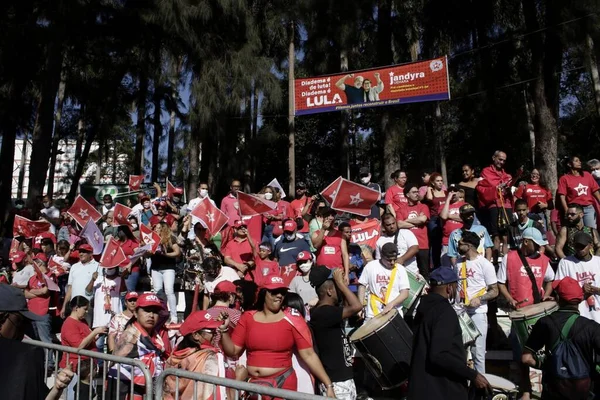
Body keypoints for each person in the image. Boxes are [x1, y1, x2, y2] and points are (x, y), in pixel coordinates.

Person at [220, 275, 336, 397]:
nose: (279, 295)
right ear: (263, 293)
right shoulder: (247, 317)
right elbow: (233, 351)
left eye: (282, 292)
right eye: (274, 292)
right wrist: (224, 331)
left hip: (283, 383)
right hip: (253, 385)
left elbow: (309, 355)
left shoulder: (292, 318)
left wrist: (328, 385)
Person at [408, 268, 491, 400]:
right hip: (441, 390)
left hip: (421, 387)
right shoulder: (444, 311)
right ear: (449, 288)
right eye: (455, 285)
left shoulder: (422, 308)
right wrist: (472, 375)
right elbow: (439, 355)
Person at [497, 227, 554, 400]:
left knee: (544, 355)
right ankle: (526, 391)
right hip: (519, 315)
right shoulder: (510, 258)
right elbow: (500, 283)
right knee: (521, 355)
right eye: (535, 244)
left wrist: (547, 294)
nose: (538, 248)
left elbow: (550, 280)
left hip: (539, 314)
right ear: (526, 241)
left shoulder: (544, 260)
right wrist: (509, 299)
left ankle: (546, 389)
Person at [522, 277, 600, 399]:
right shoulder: (592, 327)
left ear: (558, 298)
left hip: (554, 386)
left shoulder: (545, 322)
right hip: (583, 387)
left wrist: (545, 365)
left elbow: (526, 358)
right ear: (580, 299)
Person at [0, 284, 75, 400]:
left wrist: (57, 388)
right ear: (2, 318)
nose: (23, 331)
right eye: (20, 322)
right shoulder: (27, 355)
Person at [309, 266, 362, 399]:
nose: (340, 290)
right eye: (337, 288)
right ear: (329, 291)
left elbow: (349, 307)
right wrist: (342, 285)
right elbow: (357, 306)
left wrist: (340, 285)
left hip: (343, 378)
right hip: (336, 381)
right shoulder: (323, 313)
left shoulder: (329, 311)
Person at [454, 231, 499, 374]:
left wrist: (480, 299)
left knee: (477, 353)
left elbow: (494, 291)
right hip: (459, 312)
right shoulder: (458, 263)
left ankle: (481, 390)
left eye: (460, 243)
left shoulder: (485, 264)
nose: (457, 245)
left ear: (469, 246)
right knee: (458, 352)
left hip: (477, 314)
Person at [109, 293, 166, 399]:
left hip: (145, 389)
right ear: (135, 313)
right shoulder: (130, 336)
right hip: (124, 389)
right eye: (147, 310)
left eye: (155, 311)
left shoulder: (155, 335)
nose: (151, 315)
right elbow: (116, 364)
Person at [163, 312, 228, 400]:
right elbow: (217, 394)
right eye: (211, 331)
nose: (216, 333)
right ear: (196, 335)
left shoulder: (175, 355)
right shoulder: (212, 357)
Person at [477, 150, 514, 259]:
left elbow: (511, 191)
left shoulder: (507, 175)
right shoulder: (486, 172)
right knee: (496, 236)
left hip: (506, 205)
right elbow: (480, 187)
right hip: (494, 205)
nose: (502, 162)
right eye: (500, 159)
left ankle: (506, 262)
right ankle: (495, 262)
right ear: (494, 158)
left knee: (506, 236)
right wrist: (496, 189)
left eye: (504, 160)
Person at [556, 231, 600, 323]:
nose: (580, 249)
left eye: (583, 246)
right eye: (577, 246)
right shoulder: (565, 262)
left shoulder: (598, 261)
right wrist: (580, 291)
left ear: (591, 245)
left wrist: (595, 290)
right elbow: (559, 290)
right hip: (578, 317)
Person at [358, 242, 410, 319]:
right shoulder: (371, 266)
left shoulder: (400, 269)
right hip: (372, 314)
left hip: (394, 313)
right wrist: (360, 306)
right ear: (382, 256)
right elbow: (362, 286)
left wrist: (391, 304)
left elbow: (405, 293)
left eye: (394, 260)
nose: (392, 262)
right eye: (389, 260)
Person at [60, 296, 106, 369]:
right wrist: (94, 332)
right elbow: (79, 346)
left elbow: (87, 338)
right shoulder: (69, 324)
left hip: (87, 365)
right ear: (76, 308)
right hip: (75, 366)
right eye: (85, 309)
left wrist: (96, 335)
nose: (87, 312)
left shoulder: (82, 321)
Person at [149, 222, 181, 324]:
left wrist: (166, 254)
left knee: (169, 291)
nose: (156, 229)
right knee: (157, 291)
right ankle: (160, 313)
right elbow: (146, 254)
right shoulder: (151, 240)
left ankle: (174, 316)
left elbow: (177, 252)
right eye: (155, 227)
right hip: (155, 268)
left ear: (164, 229)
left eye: (158, 228)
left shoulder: (170, 238)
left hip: (168, 268)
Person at [397, 184, 431, 278]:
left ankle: (426, 292)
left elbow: (423, 219)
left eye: (417, 192)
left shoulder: (423, 206)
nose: (417, 194)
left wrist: (406, 221)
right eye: (414, 192)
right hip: (408, 247)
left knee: (424, 272)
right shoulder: (401, 210)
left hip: (422, 245)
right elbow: (399, 224)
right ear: (407, 195)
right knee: (410, 274)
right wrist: (417, 221)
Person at [557, 156, 600, 228]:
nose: (579, 162)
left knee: (590, 231)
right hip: (574, 210)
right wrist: (567, 210)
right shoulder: (564, 179)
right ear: (569, 164)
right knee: (577, 231)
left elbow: (595, 190)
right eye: (576, 161)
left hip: (588, 208)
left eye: (579, 161)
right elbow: (562, 196)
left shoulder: (587, 175)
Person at [60, 244, 99, 321]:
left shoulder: (98, 266)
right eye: (80, 251)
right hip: (74, 305)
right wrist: (64, 306)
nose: (81, 254)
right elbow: (70, 288)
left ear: (91, 253)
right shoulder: (74, 267)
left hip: (89, 306)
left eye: (84, 252)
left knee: (86, 330)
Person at [92, 265, 124, 355]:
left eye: (111, 267)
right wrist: (92, 280)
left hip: (115, 316)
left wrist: (123, 278)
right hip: (100, 318)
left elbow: (124, 292)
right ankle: (101, 366)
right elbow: (88, 291)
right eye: (108, 267)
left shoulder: (119, 279)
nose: (109, 269)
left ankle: (112, 365)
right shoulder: (98, 279)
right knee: (98, 344)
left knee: (114, 344)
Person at [312, 212, 350, 280]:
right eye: (327, 216)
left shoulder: (341, 235)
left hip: (337, 270)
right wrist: (323, 229)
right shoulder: (316, 233)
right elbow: (316, 246)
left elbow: (345, 254)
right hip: (321, 270)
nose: (330, 218)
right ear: (322, 218)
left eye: (332, 216)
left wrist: (346, 274)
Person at [424, 172, 447, 268]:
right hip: (435, 220)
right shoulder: (430, 192)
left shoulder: (446, 192)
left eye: (441, 181)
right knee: (435, 244)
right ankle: (435, 267)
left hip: (445, 218)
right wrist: (429, 188)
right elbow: (429, 198)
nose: (440, 183)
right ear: (433, 183)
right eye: (437, 181)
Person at [440, 188, 466, 266]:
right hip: (447, 241)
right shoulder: (443, 206)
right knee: (446, 266)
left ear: (459, 193)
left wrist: (449, 215)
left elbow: (465, 218)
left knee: (461, 265)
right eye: (450, 191)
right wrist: (447, 200)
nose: (453, 193)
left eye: (455, 191)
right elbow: (444, 216)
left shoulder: (465, 205)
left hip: (462, 239)